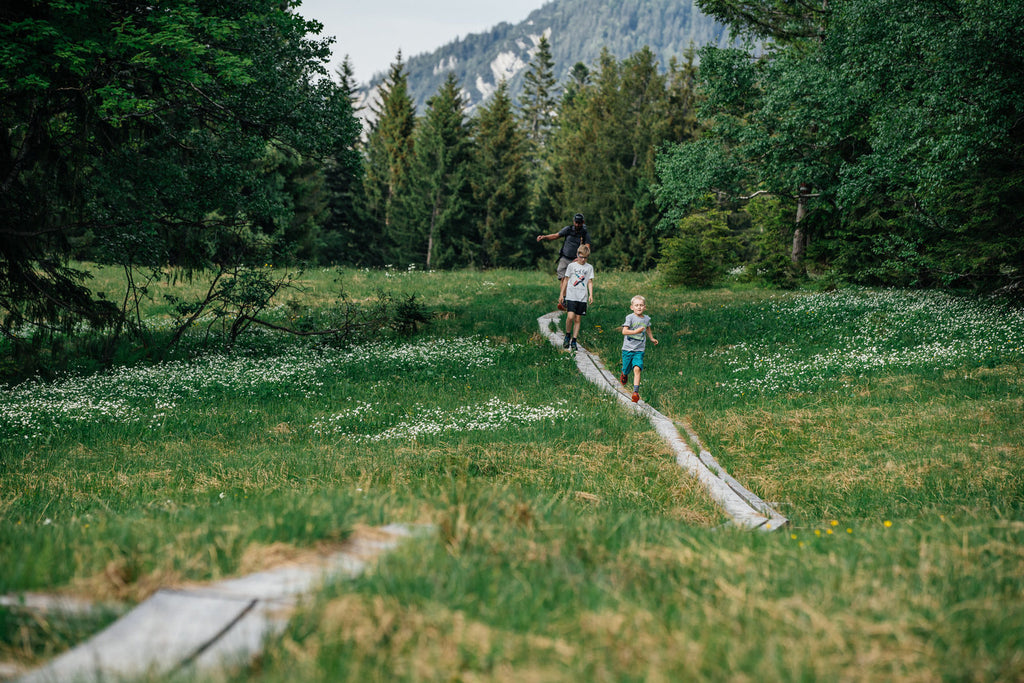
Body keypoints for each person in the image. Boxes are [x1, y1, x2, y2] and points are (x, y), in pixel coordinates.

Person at [536, 213, 591, 309]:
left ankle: (571, 300)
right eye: (576, 223)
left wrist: (580, 258)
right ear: (573, 222)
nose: (577, 225)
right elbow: (556, 236)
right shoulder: (568, 229)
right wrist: (544, 237)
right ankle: (564, 300)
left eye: (579, 223)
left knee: (571, 280)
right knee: (563, 278)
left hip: (575, 260)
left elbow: (587, 247)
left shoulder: (584, 233)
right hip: (564, 258)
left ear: (583, 222)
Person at [620, 294, 658, 403]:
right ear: (632, 307)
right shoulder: (630, 317)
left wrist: (651, 338)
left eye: (641, 305)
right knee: (627, 368)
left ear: (645, 307)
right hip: (628, 348)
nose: (639, 307)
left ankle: (635, 392)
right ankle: (624, 373)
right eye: (636, 305)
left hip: (639, 350)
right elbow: (624, 331)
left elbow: (648, 328)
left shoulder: (646, 319)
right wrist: (635, 332)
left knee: (637, 368)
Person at [558, 244, 594, 351]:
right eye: (581, 257)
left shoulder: (589, 267)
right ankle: (567, 335)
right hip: (571, 295)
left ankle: (574, 340)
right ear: (577, 255)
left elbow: (590, 281)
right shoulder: (571, 266)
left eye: (585, 258)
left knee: (578, 319)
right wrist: (562, 294)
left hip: (582, 296)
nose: (583, 259)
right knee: (570, 317)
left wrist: (591, 294)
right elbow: (566, 280)